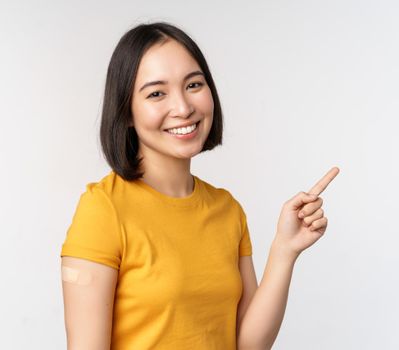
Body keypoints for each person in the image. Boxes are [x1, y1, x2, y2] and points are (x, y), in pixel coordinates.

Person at [60, 21, 339, 350]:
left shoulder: (227, 210)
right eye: (156, 93)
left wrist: (284, 250)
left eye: (193, 85)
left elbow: (248, 345)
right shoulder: (103, 209)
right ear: (127, 113)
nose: (183, 107)